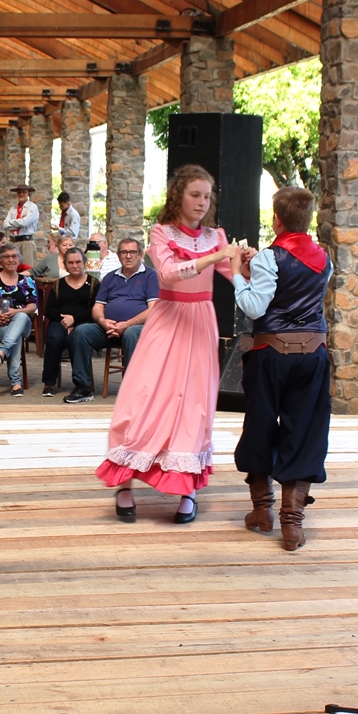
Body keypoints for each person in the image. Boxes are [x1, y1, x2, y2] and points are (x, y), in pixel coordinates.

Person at [95, 165, 242, 523]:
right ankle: (125, 482)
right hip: (168, 317)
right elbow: (167, 273)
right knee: (143, 396)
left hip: (200, 321)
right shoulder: (162, 232)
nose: (201, 203)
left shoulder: (217, 235)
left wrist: (246, 261)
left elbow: (235, 274)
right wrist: (214, 257)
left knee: (195, 402)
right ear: (178, 195)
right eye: (195, 194)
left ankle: (187, 488)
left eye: (207, 196)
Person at [232, 188, 334, 550]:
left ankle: (263, 511)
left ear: (276, 219)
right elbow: (296, 290)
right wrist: (255, 268)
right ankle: (293, 525)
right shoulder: (324, 258)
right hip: (313, 354)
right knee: (305, 430)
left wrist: (237, 275)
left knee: (260, 425)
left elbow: (256, 308)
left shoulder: (269, 258)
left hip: (271, 354)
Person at [67, 237, 157, 404]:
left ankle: (133, 389)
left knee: (131, 333)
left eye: (132, 252)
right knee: (81, 331)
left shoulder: (150, 276)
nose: (128, 256)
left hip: (137, 328)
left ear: (140, 254)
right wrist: (103, 321)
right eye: (124, 252)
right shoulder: (110, 277)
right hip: (108, 327)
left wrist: (126, 324)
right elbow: (97, 308)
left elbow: (154, 309)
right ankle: (83, 387)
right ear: (118, 255)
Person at [0, 243, 37, 397]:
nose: (11, 259)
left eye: (14, 256)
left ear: (19, 259)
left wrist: (15, 312)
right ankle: (16, 383)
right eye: (6, 256)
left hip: (23, 324)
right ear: (0, 260)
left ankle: (3, 351)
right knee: (14, 335)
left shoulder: (27, 281)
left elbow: (32, 307)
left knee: (22, 317)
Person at [41, 247, 96, 398]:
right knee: (54, 338)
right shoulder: (58, 285)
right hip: (60, 322)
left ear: (85, 262)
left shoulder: (94, 284)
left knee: (76, 338)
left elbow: (95, 309)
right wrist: (64, 320)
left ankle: (81, 383)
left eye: (78, 262)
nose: (74, 265)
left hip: (84, 322)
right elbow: (49, 309)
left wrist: (74, 319)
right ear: (65, 265)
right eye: (70, 262)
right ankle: (49, 382)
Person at [3, 185, 39, 265]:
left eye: (24, 192)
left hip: (26, 242)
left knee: (27, 269)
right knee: (12, 267)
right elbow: (5, 225)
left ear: (28, 194)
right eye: (19, 192)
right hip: (13, 242)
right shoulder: (13, 208)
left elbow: (25, 223)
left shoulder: (32, 207)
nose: (21, 194)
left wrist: (11, 221)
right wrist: (20, 222)